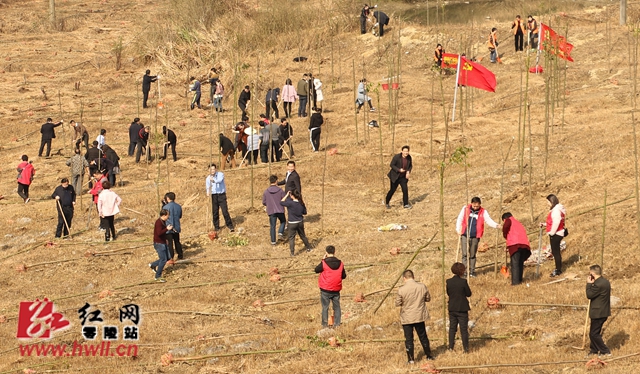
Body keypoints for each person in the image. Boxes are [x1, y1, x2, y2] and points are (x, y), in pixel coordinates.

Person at [455, 197, 499, 278]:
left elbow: (488, 220)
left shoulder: (483, 212)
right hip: (465, 235)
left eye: (477, 206)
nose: (475, 208)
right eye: (474, 206)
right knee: (464, 254)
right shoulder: (465, 209)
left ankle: (472, 271)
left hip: (475, 236)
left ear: (480, 205)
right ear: (471, 203)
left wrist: (496, 225)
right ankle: (464, 271)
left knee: (472, 254)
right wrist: (458, 229)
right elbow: (460, 219)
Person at [396, 269, 433, 363]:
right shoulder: (422, 286)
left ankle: (411, 359)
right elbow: (428, 298)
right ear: (413, 277)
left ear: (404, 278)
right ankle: (429, 355)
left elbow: (397, 303)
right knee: (423, 336)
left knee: (409, 339)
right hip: (419, 315)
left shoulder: (401, 289)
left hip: (407, 317)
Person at [315, 245, 347, 328]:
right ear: (334, 252)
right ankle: (337, 324)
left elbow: (316, 270)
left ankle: (324, 325)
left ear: (326, 252)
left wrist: (323, 259)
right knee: (337, 307)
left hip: (325, 289)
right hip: (336, 289)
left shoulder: (324, 263)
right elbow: (343, 276)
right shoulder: (341, 263)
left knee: (325, 307)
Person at [586, 265, 612, 357]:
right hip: (603, 311)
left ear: (592, 273)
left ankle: (605, 350)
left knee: (594, 333)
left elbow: (589, 295)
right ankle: (594, 350)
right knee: (593, 333)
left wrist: (589, 284)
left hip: (598, 312)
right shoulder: (605, 282)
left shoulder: (598, 284)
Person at [447, 262, 471, 353]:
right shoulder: (463, 282)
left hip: (452, 307)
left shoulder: (449, 282)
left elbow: (448, 293)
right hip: (462, 308)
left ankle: (450, 347)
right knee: (463, 329)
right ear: (462, 271)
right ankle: (466, 348)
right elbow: (468, 293)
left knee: (452, 328)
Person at [502, 212, 531, 285]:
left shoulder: (508, 220)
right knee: (520, 263)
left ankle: (515, 282)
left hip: (515, 244)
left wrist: (504, 234)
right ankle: (520, 280)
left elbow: (505, 227)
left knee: (515, 264)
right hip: (524, 244)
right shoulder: (518, 222)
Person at [541, 194, 566, 277]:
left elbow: (556, 222)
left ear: (552, 201)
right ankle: (558, 268)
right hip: (558, 232)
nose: (547, 204)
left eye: (548, 202)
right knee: (556, 252)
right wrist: (545, 224)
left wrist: (552, 232)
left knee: (556, 252)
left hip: (556, 233)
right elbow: (552, 222)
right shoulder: (557, 209)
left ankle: (558, 270)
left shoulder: (556, 211)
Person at [280, 190, 312, 256]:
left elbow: (281, 202)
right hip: (300, 222)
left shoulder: (290, 203)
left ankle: (292, 253)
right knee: (303, 236)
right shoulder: (301, 203)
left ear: (292, 196)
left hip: (292, 223)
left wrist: (286, 195)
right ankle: (308, 247)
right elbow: (305, 212)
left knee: (291, 238)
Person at [206, 164, 235, 233]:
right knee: (215, 212)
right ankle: (217, 227)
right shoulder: (208, 178)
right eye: (211, 169)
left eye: (213, 169)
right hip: (214, 195)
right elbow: (208, 187)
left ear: (216, 169)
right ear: (208, 170)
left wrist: (213, 180)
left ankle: (230, 225)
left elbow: (219, 181)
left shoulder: (220, 174)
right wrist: (208, 193)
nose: (212, 171)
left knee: (225, 211)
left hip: (221, 195)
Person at [150, 209, 173, 283]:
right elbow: (159, 233)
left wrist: (165, 239)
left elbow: (162, 234)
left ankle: (153, 264)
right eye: (167, 215)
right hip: (159, 244)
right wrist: (167, 229)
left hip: (163, 242)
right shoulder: (158, 222)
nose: (168, 216)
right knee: (163, 260)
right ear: (164, 215)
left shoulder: (163, 221)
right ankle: (158, 276)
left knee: (167, 258)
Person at [262, 175, 286, 245]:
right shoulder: (280, 190)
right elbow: (284, 199)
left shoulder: (266, 191)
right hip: (280, 210)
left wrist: (269, 204)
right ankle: (280, 232)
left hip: (271, 211)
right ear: (276, 181)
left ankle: (273, 242)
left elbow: (264, 202)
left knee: (272, 226)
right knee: (283, 221)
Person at [162, 192, 183, 260]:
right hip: (176, 226)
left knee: (169, 243)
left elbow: (162, 217)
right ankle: (180, 255)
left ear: (167, 198)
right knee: (177, 241)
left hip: (168, 227)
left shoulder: (165, 207)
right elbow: (180, 216)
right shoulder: (178, 206)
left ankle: (171, 257)